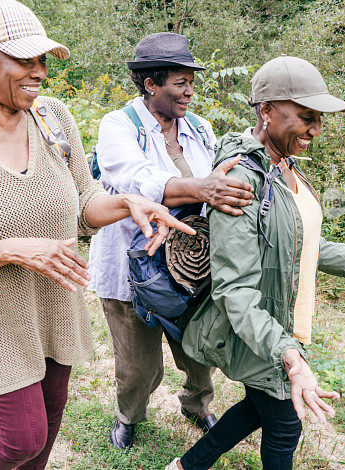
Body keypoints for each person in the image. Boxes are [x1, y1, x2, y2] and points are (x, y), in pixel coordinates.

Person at [0, 0, 192, 470]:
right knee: (21, 437)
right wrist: (13, 250)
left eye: (42, 60)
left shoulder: (53, 120)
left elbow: (83, 204)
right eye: (24, 60)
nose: (39, 72)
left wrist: (126, 202)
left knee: (48, 427)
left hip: (56, 306)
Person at [166, 56, 345, 470]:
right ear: (266, 110)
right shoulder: (242, 181)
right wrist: (288, 353)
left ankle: (186, 466)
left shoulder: (284, 166)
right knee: (285, 425)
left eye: (319, 119)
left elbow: (300, 244)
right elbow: (234, 289)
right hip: (261, 328)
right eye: (306, 117)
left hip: (283, 321)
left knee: (259, 407)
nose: (316, 130)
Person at [88, 32, 256, 449]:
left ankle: (197, 405)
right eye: (181, 83)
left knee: (201, 349)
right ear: (150, 84)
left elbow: (220, 177)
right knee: (137, 363)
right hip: (135, 267)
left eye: (191, 82)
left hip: (193, 265)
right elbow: (138, 182)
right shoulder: (118, 126)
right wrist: (204, 189)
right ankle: (129, 415)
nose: (190, 92)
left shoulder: (200, 128)